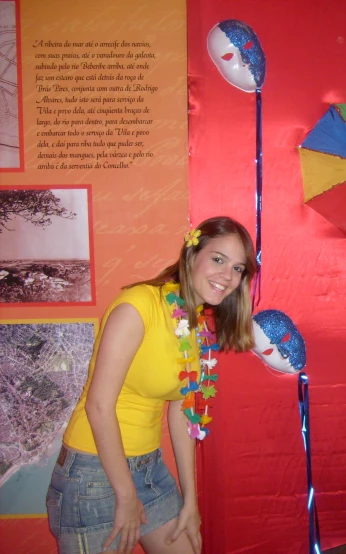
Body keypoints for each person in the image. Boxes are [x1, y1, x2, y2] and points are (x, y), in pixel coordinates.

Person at [46, 216, 258, 554]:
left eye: (238, 269)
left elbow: (182, 411)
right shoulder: (138, 305)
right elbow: (98, 406)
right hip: (94, 470)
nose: (228, 277)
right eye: (218, 259)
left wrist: (191, 501)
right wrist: (126, 495)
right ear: (191, 255)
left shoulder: (195, 321)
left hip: (149, 468)